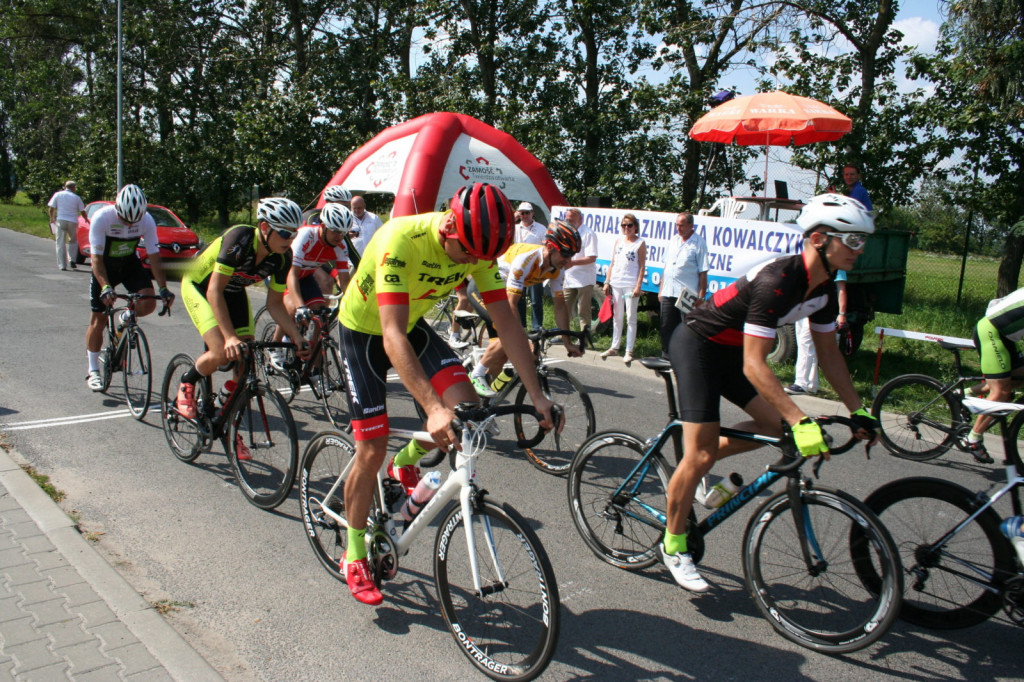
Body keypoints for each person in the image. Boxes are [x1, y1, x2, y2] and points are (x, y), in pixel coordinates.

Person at [336, 182, 559, 606]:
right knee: (371, 447)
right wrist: (432, 408)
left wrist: (537, 394)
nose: (474, 263)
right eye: (467, 253)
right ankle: (354, 551)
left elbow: (507, 325)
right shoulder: (402, 239)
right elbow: (391, 334)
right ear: (450, 227)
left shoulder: (478, 249)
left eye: (482, 258)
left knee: (468, 410)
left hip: (410, 323)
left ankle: (405, 465)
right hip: (366, 330)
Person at [660, 193, 879, 593]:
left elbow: (829, 355)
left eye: (862, 241)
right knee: (703, 451)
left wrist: (860, 410)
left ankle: (695, 472)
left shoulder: (824, 292)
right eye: (851, 240)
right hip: (697, 343)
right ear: (818, 240)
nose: (858, 250)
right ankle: (674, 546)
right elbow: (755, 365)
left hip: (732, 352)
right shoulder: (778, 280)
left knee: (775, 428)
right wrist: (801, 418)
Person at [175, 198, 311, 428]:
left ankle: (224, 420)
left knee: (246, 360)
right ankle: (187, 383)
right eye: (285, 233)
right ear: (265, 227)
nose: (290, 240)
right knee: (221, 351)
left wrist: (297, 337)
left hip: (233, 291)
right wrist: (229, 337)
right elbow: (214, 291)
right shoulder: (239, 239)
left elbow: (275, 304)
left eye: (294, 234)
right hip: (201, 287)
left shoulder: (282, 258)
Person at [468, 219, 584, 396]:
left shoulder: (557, 269)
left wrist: (567, 342)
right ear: (551, 248)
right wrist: (524, 339)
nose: (569, 262)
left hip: (503, 293)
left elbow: (560, 307)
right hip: (483, 288)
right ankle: (476, 374)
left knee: (505, 352)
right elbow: (511, 304)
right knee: (511, 333)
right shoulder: (526, 260)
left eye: (572, 255)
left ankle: (484, 399)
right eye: (566, 254)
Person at [85, 185, 174, 391]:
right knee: (98, 318)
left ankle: (126, 317)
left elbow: (154, 256)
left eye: (133, 221)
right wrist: (106, 286)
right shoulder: (102, 218)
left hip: (129, 265)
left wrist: (163, 288)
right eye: (125, 220)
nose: (129, 224)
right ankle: (93, 370)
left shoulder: (146, 219)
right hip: (105, 266)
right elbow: (96, 260)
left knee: (148, 303)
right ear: (117, 209)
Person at [267, 202, 353, 370]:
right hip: (284, 274)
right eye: (335, 231)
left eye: (343, 232)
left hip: (305, 277)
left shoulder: (340, 245)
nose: (339, 236)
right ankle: (275, 344)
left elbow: (344, 281)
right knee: (291, 308)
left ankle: (314, 355)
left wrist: (353, 302)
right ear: (324, 226)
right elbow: (291, 274)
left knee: (322, 314)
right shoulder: (306, 236)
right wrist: (300, 307)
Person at [959, 288, 1024, 464]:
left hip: (1006, 337)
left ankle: (964, 394)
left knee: (1013, 382)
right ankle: (973, 439)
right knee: (1001, 392)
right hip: (991, 333)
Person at [785, 270, 848, 396]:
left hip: (818, 311)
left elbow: (841, 289)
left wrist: (842, 314)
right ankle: (812, 385)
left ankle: (801, 383)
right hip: (802, 308)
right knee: (809, 347)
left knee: (806, 344)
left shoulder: (837, 266)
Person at [658, 212, 708, 356]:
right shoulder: (673, 240)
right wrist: (661, 290)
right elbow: (666, 266)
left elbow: (703, 272)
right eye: (676, 225)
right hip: (668, 290)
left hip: (686, 294)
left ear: (691, 226)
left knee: (686, 328)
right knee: (666, 325)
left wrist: (701, 296)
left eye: (681, 225)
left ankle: (686, 358)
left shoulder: (699, 243)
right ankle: (666, 356)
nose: (678, 228)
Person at [600, 213, 647, 366]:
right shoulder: (619, 241)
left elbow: (642, 266)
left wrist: (638, 286)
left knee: (631, 317)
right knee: (617, 317)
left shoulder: (640, 243)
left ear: (635, 227)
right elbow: (612, 262)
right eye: (624, 225)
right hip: (616, 282)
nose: (626, 228)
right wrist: (607, 281)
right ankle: (614, 346)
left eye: (629, 225)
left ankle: (629, 350)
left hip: (630, 283)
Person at [561, 208, 599, 333]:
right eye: (567, 219)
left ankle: (584, 338)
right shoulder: (566, 233)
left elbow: (591, 257)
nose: (568, 221)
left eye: (571, 219)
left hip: (584, 278)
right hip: (569, 277)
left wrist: (572, 263)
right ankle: (563, 335)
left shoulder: (588, 233)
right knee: (563, 307)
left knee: (583, 310)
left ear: (580, 219)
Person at [515, 201, 547, 331]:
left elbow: (546, 247)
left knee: (535, 300)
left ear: (532, 213)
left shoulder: (541, 228)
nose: (525, 215)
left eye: (527, 212)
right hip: (518, 268)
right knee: (518, 298)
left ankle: (536, 327)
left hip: (535, 268)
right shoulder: (515, 228)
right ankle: (521, 326)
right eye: (522, 213)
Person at [48, 180, 87, 271]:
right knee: (73, 241)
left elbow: (51, 208)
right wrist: (86, 219)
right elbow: (82, 211)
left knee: (60, 242)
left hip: (61, 220)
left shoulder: (58, 195)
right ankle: (72, 259)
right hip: (73, 221)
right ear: (73, 187)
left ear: (65, 187)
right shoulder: (76, 197)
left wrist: (52, 218)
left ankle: (62, 265)